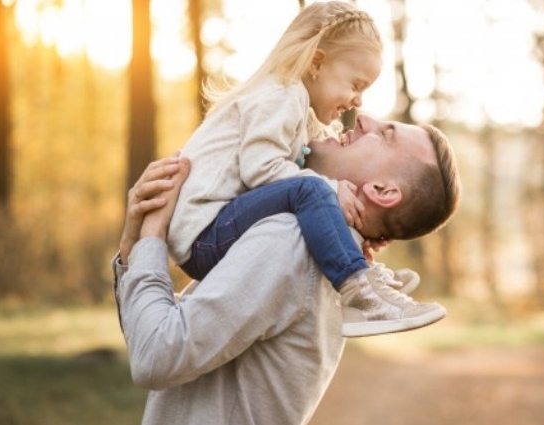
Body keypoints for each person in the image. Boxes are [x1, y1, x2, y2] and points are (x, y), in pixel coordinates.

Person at [113, 113, 461, 425]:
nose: (363, 119)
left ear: (382, 191)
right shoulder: (323, 248)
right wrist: (132, 252)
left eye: (385, 136)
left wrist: (153, 237)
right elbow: (158, 333)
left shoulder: (294, 239)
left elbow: (156, 355)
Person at [168, 1, 440, 337]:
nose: (359, 103)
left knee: (313, 188)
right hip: (203, 236)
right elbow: (261, 170)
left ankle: (361, 269)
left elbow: (319, 150)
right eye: (356, 85)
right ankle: (361, 294)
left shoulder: (296, 105)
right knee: (310, 188)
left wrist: (353, 232)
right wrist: (329, 188)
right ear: (317, 62)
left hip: (216, 230)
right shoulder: (280, 96)